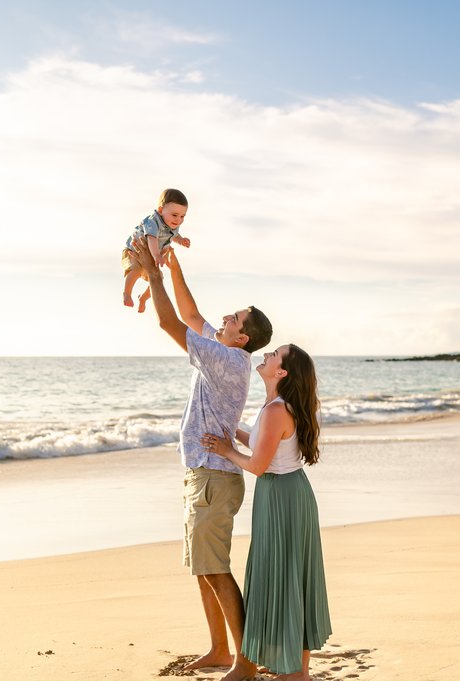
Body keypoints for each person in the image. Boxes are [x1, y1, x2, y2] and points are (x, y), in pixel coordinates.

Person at [130, 236, 272, 681]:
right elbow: (191, 315)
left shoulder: (228, 359)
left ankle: (245, 661)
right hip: (203, 474)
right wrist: (173, 268)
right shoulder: (224, 349)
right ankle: (218, 649)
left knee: (216, 569)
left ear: (241, 337)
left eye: (234, 318)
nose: (225, 317)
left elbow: (170, 322)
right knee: (203, 569)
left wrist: (153, 274)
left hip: (214, 477)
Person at [202, 344, 332, 681]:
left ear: (281, 372)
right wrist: (235, 433)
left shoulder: (276, 410)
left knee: (287, 576)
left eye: (274, 355)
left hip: (281, 495)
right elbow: (264, 445)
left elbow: (258, 465)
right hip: (287, 492)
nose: (266, 356)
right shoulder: (278, 406)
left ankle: (296, 672)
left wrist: (226, 450)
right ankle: (296, 667)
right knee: (291, 575)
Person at [122, 188, 192, 313]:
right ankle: (127, 293)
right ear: (160, 210)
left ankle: (143, 298)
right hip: (134, 251)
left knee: (158, 279)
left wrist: (181, 240)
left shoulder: (172, 224)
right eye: (175, 215)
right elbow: (151, 238)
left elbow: (174, 235)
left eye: (182, 216)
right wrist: (156, 255)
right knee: (136, 270)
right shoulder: (152, 222)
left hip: (151, 256)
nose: (178, 220)